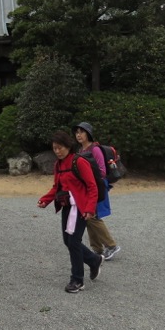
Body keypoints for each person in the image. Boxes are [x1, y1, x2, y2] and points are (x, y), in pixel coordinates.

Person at [38, 130, 104, 293]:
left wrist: (89, 208)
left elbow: (92, 186)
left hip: (80, 207)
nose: (57, 151)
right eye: (54, 148)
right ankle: (94, 260)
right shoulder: (58, 165)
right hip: (67, 206)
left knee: (73, 242)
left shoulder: (79, 162)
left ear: (68, 147)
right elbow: (57, 187)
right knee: (68, 241)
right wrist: (45, 200)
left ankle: (77, 280)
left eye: (60, 148)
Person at [75, 122, 121, 261]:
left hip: (96, 186)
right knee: (88, 216)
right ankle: (97, 249)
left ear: (88, 133)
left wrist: (87, 178)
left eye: (82, 132)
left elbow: (102, 170)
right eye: (77, 132)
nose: (79, 135)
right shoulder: (81, 151)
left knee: (92, 216)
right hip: (87, 186)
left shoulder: (95, 149)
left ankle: (111, 245)